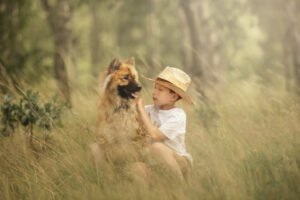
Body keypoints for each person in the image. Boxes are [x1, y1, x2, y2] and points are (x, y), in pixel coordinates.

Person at [134, 66, 193, 181]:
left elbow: (156, 136)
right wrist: (134, 104)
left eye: (160, 90)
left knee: (157, 147)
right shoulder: (149, 110)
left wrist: (141, 110)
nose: (155, 92)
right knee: (136, 168)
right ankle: (158, 188)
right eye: (155, 88)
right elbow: (137, 126)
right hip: (156, 163)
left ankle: (180, 184)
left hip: (179, 161)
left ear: (173, 97)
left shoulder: (177, 115)